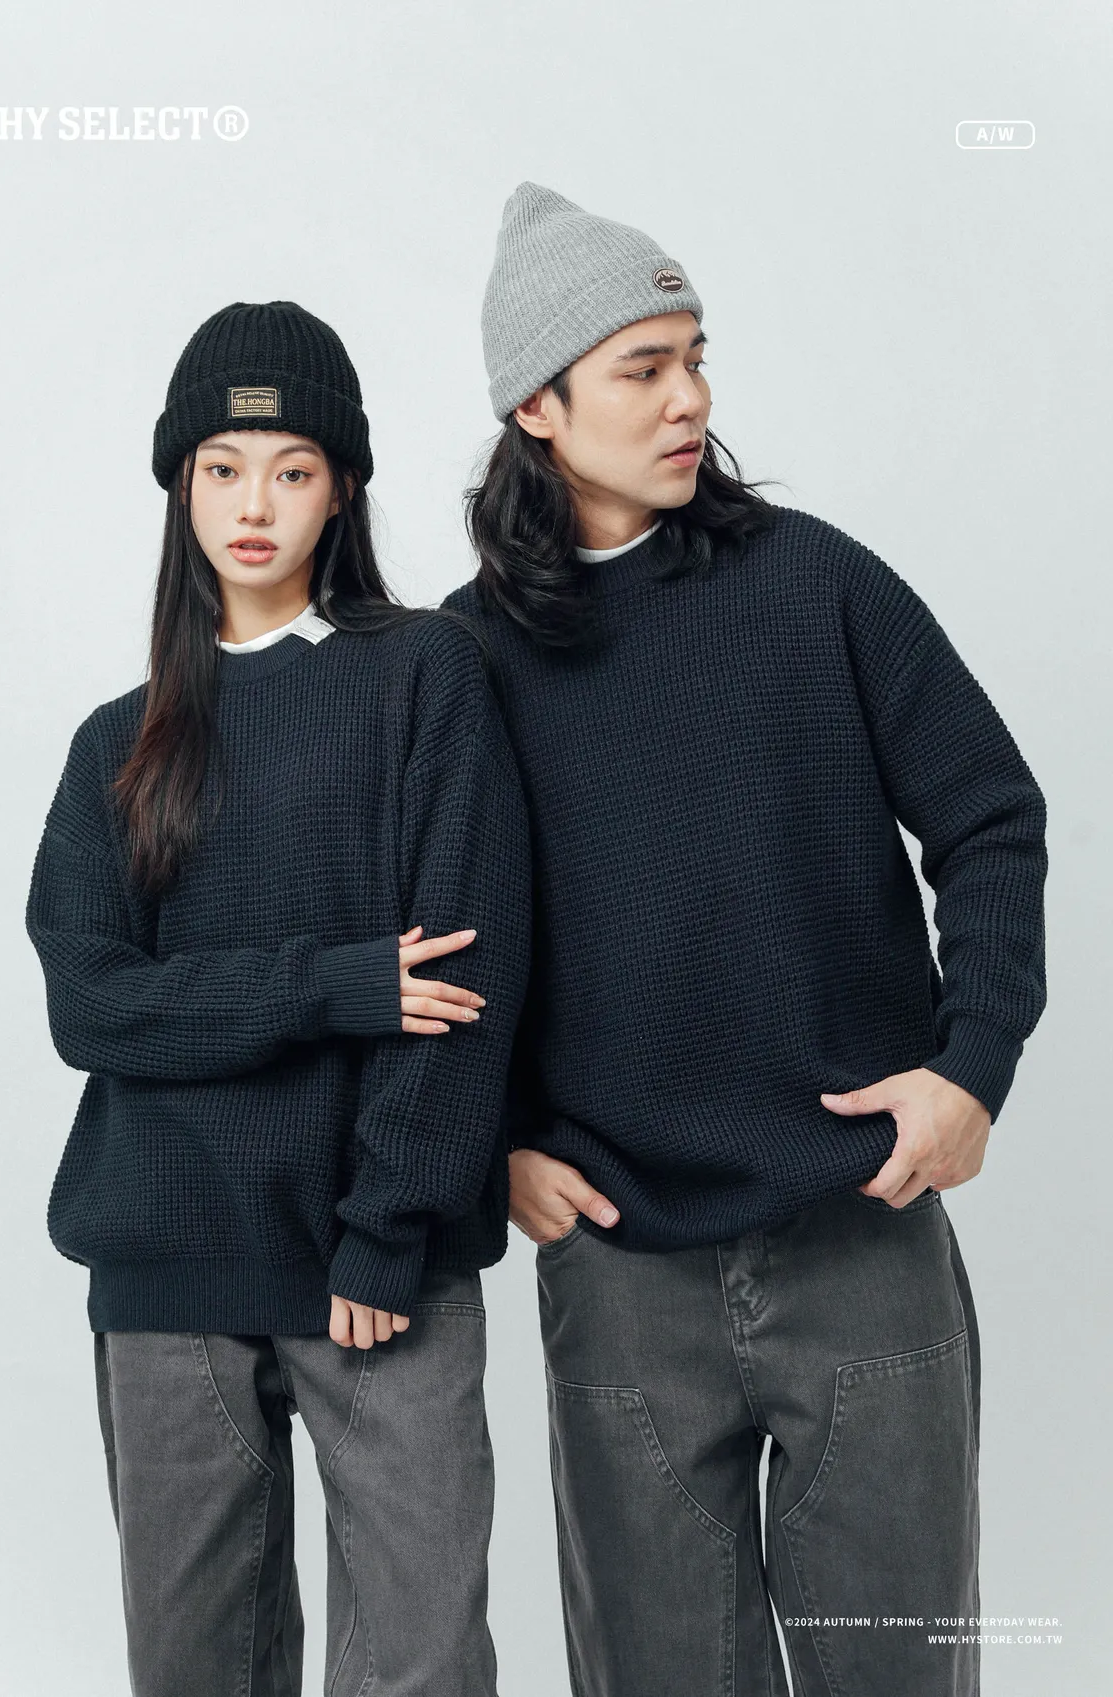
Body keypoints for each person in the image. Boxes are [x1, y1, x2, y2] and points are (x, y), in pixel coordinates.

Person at [442, 184, 1048, 1697]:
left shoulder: (813, 580)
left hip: (860, 1233)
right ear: (537, 405)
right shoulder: (466, 655)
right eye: (643, 367)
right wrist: (495, 1141)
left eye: (696, 357)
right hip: (618, 1264)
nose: (691, 400)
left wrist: (971, 1069)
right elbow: (440, 935)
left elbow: (990, 818)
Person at [25, 299, 532, 1697]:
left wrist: (386, 1231)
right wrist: (338, 985)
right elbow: (94, 1009)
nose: (255, 506)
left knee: (423, 1665)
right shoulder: (116, 746)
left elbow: (462, 979)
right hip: (165, 1267)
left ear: (343, 487)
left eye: (294, 469)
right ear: (182, 486)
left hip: (380, 1272)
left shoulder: (424, 673)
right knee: (195, 1671)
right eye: (224, 469)